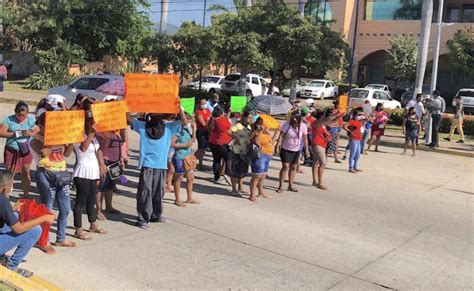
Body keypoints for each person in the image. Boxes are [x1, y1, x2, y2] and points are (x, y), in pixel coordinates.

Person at [131, 105, 187, 230]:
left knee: (158, 192)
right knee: (145, 192)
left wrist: (179, 107)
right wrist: (141, 111)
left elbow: (184, 122)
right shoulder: (143, 127)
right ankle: (142, 218)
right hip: (147, 165)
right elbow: (128, 118)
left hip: (161, 165)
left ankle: (156, 215)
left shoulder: (168, 127)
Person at [30, 110, 76, 253]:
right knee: (47, 209)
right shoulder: (36, 139)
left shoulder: (59, 137)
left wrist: (71, 140)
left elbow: (66, 154)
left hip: (61, 174)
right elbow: (45, 152)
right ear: (42, 126)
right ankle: (43, 241)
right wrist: (54, 138)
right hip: (45, 175)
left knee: (66, 208)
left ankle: (60, 238)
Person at [0, 170, 55, 278]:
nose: (12, 189)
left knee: (15, 215)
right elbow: (18, 229)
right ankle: (11, 266)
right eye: (11, 186)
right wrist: (43, 218)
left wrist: (12, 209)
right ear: (5, 188)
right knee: (36, 230)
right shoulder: (2, 200)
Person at [72, 98, 106, 240]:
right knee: (81, 201)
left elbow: (97, 149)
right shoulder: (77, 133)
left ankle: (92, 223)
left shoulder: (93, 136)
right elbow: (83, 149)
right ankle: (78, 229)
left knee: (92, 200)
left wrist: (101, 164)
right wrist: (91, 133)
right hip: (83, 171)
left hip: (93, 171)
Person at [0, 102, 39, 197]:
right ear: (15, 112)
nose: (21, 117)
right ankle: (5, 197)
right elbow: (1, 132)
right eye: (19, 115)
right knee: (9, 174)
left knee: (26, 173)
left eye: (23, 116)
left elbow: (37, 129)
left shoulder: (30, 120)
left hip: (25, 150)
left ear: (27, 113)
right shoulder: (8, 120)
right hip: (11, 150)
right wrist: (14, 134)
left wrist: (30, 133)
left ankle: (26, 196)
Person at [275, 110, 309, 193]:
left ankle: (290, 185)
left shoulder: (302, 126)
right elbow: (281, 136)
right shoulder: (286, 124)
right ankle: (280, 186)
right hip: (286, 148)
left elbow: (305, 138)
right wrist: (277, 145)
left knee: (293, 167)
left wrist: (306, 149)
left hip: (296, 149)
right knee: (285, 166)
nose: (292, 119)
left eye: (294, 118)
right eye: (292, 117)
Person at [171, 114, 199, 207]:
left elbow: (193, 140)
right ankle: (177, 199)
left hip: (188, 157)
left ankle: (189, 197)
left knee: (191, 178)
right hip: (179, 158)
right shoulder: (176, 131)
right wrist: (184, 145)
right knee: (179, 178)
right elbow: (171, 144)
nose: (190, 120)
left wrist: (194, 130)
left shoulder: (187, 129)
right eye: (188, 118)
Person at [96, 129, 125, 216]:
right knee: (101, 187)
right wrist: (101, 164)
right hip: (106, 162)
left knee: (110, 186)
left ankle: (109, 206)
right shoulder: (101, 133)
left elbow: (122, 142)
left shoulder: (116, 133)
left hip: (115, 163)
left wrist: (121, 159)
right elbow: (99, 149)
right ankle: (99, 209)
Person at [311, 108, 342, 189]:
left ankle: (315, 181)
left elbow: (333, 121)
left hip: (322, 144)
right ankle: (320, 183)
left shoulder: (323, 124)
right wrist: (333, 115)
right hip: (317, 144)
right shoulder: (316, 123)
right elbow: (327, 120)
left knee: (315, 162)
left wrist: (340, 115)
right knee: (323, 163)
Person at [248, 118, 274, 202]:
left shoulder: (267, 133)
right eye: (261, 124)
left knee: (263, 175)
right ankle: (252, 194)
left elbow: (271, 143)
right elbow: (257, 143)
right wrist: (260, 131)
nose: (265, 126)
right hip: (259, 155)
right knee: (257, 176)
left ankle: (261, 192)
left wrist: (276, 133)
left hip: (267, 155)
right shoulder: (256, 132)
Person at [229, 111, 252, 195]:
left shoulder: (249, 126)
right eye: (248, 117)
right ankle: (234, 189)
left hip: (245, 150)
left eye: (251, 118)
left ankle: (240, 187)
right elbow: (229, 131)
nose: (250, 119)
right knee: (235, 170)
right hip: (236, 150)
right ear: (244, 118)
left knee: (242, 170)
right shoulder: (238, 125)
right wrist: (236, 137)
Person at [208, 106, 233, 183]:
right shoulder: (223, 120)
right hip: (223, 142)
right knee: (228, 158)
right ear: (221, 113)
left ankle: (216, 177)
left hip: (213, 142)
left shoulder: (211, 120)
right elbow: (230, 128)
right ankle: (228, 173)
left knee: (216, 160)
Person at [343, 108, 364, 173]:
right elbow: (344, 126)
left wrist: (363, 114)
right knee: (353, 154)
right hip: (353, 139)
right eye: (358, 115)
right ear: (354, 115)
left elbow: (368, 119)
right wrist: (349, 131)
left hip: (359, 139)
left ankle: (355, 166)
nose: (359, 116)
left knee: (358, 154)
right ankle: (350, 167)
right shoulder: (351, 121)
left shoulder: (359, 121)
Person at [194, 98, 212, 169]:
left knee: (203, 149)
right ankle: (191, 161)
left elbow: (211, 119)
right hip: (201, 131)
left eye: (204, 104)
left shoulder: (208, 110)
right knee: (201, 148)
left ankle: (200, 164)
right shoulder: (198, 112)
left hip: (207, 132)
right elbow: (202, 123)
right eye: (201, 104)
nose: (203, 105)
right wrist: (210, 130)